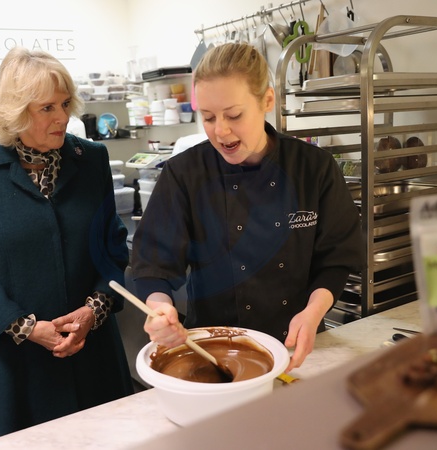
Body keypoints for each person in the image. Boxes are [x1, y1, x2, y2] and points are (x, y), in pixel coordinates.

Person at [131, 43, 364, 373]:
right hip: (212, 354)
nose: (220, 130)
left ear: (267, 101)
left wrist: (313, 314)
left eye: (234, 115)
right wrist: (159, 309)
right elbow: (153, 265)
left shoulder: (314, 168)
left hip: (297, 346)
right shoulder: (184, 174)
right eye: (208, 117)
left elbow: (336, 259)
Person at [0, 47, 133, 441]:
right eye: (47, 107)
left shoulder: (91, 159)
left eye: (65, 104)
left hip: (90, 350)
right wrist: (27, 327)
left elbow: (114, 248)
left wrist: (93, 310)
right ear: (17, 112)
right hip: (16, 360)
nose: (62, 117)